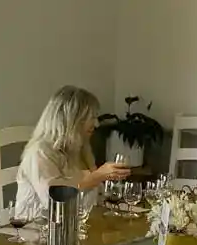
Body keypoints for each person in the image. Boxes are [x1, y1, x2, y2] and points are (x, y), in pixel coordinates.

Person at [14, 85, 130, 220]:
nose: (97, 124)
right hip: (37, 233)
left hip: (78, 228)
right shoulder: (39, 153)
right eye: (91, 117)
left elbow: (93, 197)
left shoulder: (81, 148)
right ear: (72, 119)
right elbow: (53, 200)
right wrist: (97, 176)